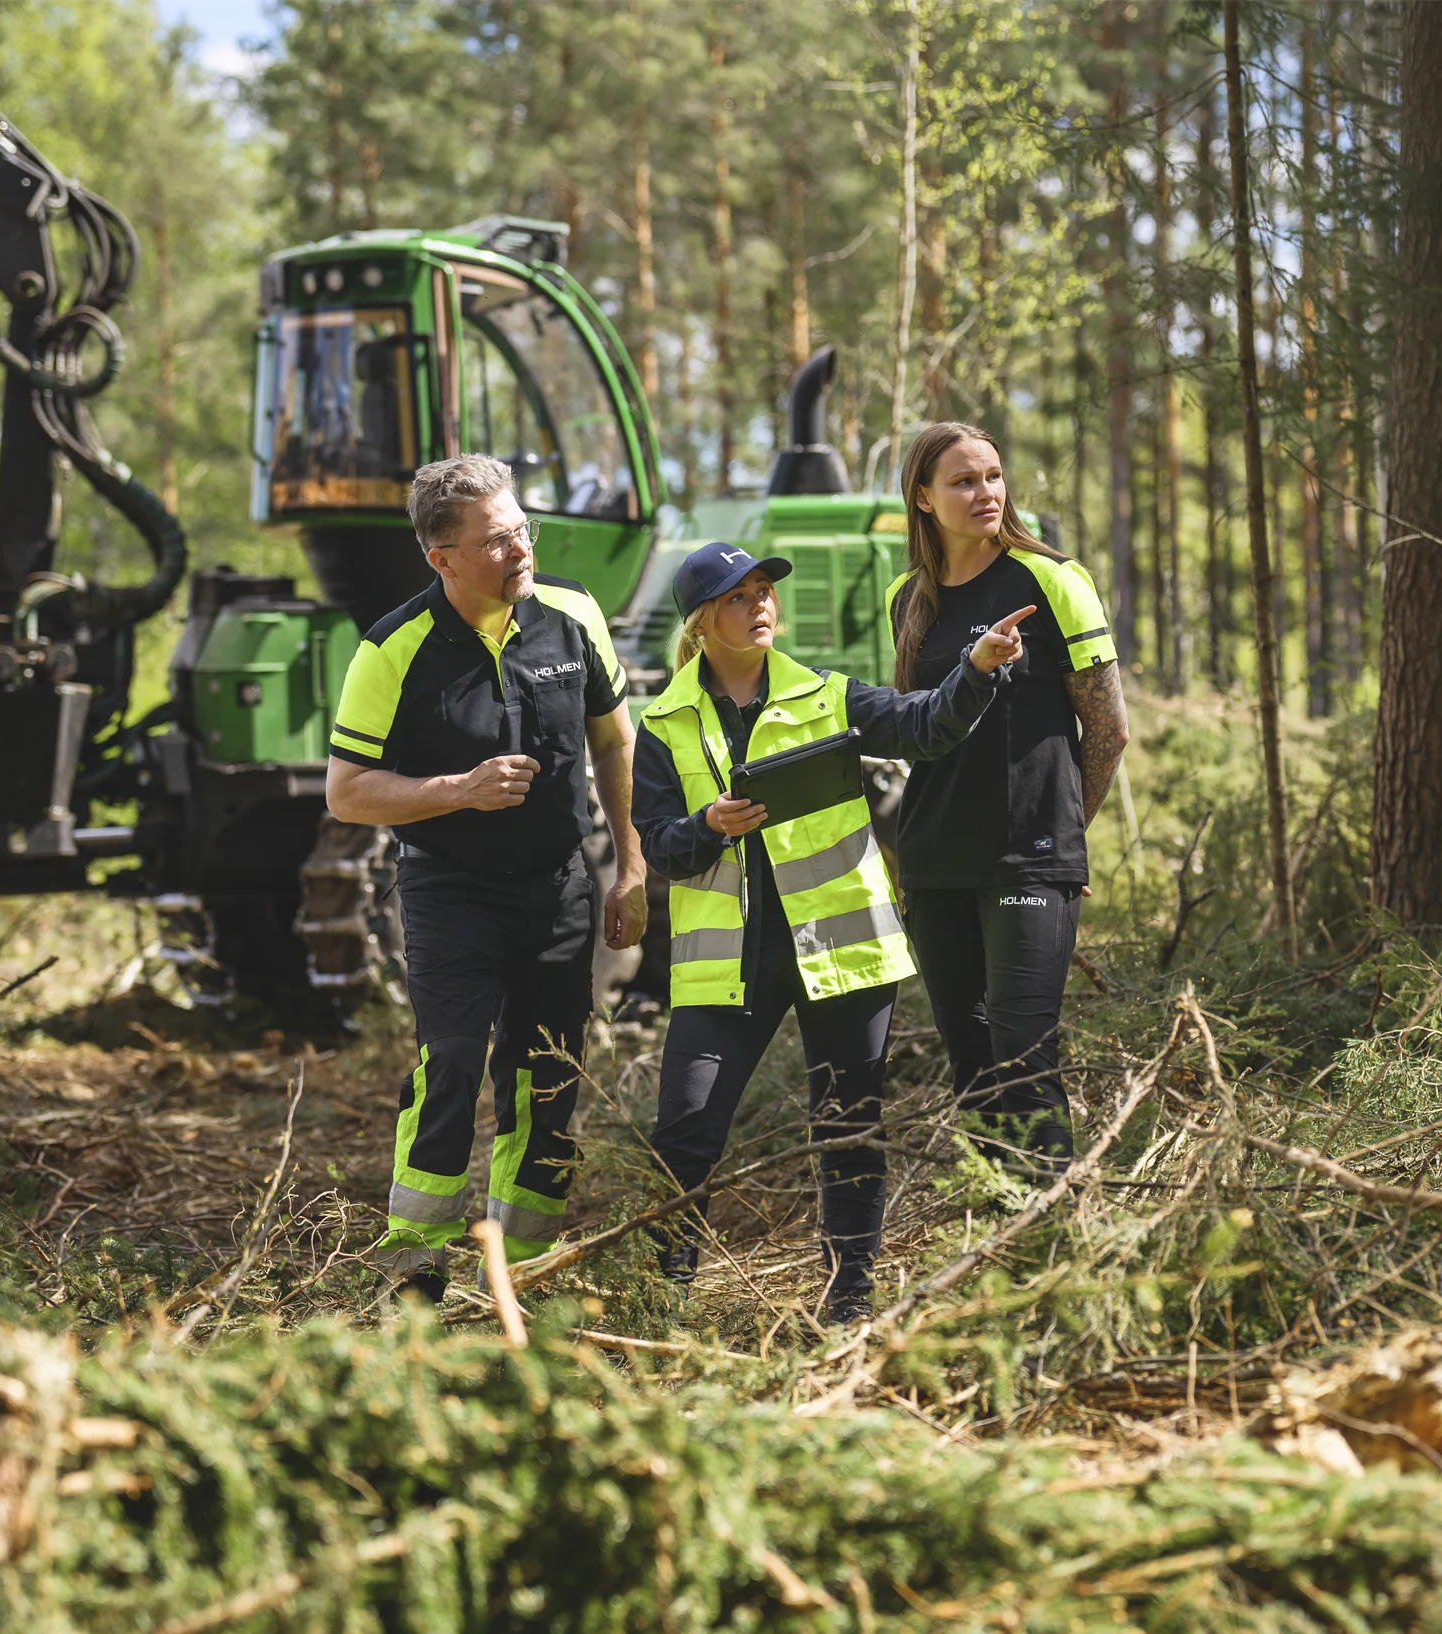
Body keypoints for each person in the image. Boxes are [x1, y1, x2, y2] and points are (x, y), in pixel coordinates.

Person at [634, 541, 1029, 1322]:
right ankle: (661, 1299)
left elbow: (924, 728)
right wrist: (708, 825)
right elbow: (658, 844)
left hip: (843, 953)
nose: (761, 606)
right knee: (684, 1134)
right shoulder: (662, 721)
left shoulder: (827, 693)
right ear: (703, 620)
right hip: (727, 969)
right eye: (739, 597)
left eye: (764, 592)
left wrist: (977, 669)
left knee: (849, 1129)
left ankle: (848, 1297)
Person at [326, 454, 647, 1301]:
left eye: (521, 530)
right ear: (443, 559)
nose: (520, 550)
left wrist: (631, 864)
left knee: (549, 1073)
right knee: (455, 1062)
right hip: (449, 893)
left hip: (559, 886)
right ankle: (413, 1276)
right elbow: (348, 792)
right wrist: (456, 791)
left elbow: (615, 742)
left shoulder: (574, 613)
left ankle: (521, 1274)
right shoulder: (391, 649)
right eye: (497, 540)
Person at [884, 423, 1128, 1171]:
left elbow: (1109, 730)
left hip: (1030, 860)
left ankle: (1056, 1236)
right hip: (934, 865)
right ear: (923, 499)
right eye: (963, 480)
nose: (985, 492)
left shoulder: (1053, 580)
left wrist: (1063, 837)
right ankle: (997, 1239)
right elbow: (917, 727)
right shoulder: (907, 599)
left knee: (1023, 1059)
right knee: (974, 1073)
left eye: (992, 476)